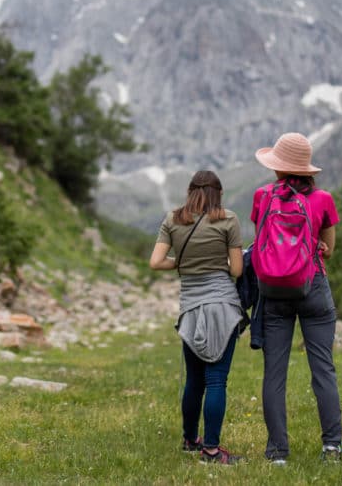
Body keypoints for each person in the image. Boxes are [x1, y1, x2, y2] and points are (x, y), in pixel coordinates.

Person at [251, 132, 342, 465]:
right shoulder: (323, 199)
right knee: (323, 369)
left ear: (277, 167)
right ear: (306, 168)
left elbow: (263, 238)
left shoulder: (262, 195)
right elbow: (329, 251)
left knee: (275, 373)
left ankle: (277, 453)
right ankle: (332, 447)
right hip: (313, 286)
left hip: (273, 292)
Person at [149, 170, 245, 465]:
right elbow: (237, 270)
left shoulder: (173, 219)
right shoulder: (228, 219)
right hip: (222, 306)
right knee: (216, 380)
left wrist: (183, 261)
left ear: (190, 191)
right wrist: (218, 260)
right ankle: (212, 451)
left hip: (190, 308)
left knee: (194, 380)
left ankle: (191, 440)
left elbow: (155, 262)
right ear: (219, 193)